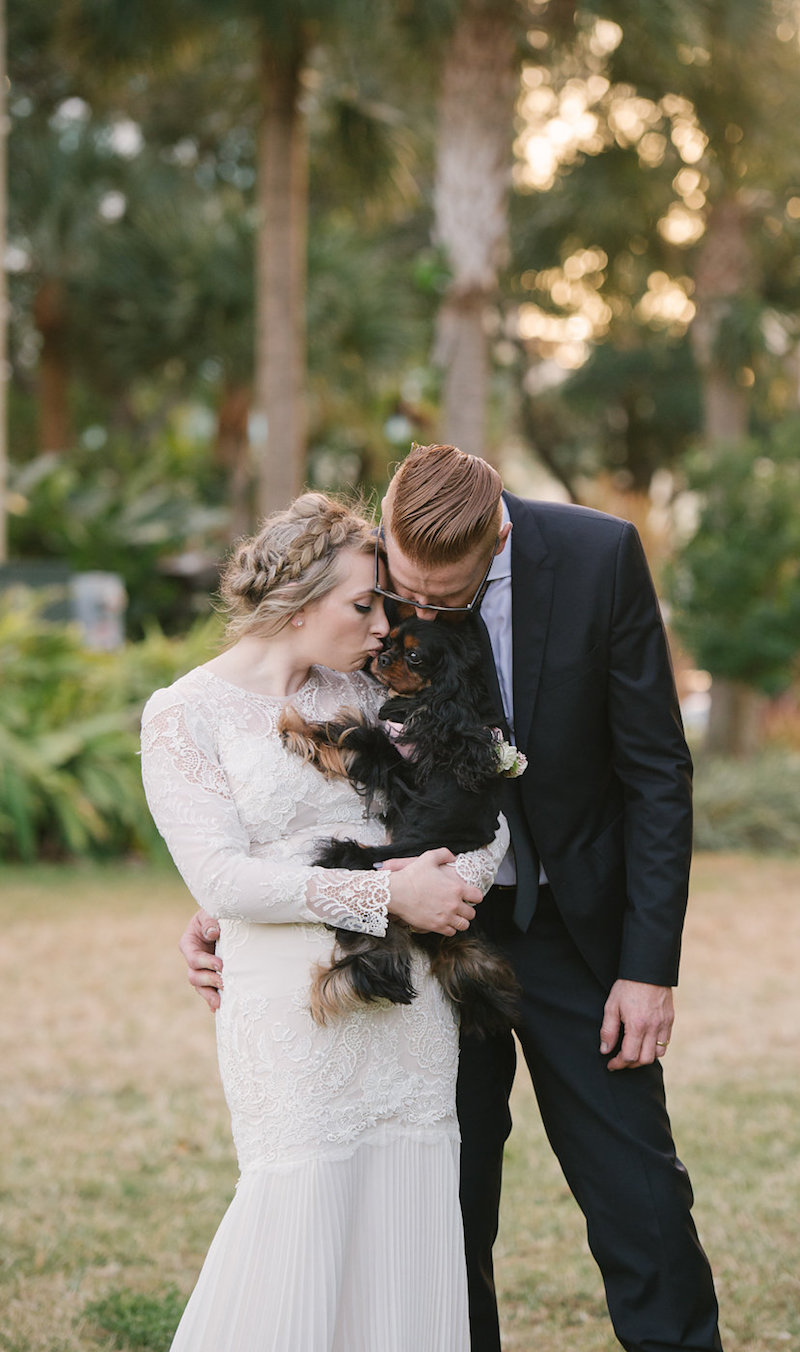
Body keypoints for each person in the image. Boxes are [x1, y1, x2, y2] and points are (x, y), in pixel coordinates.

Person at [182, 446, 723, 1352]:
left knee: (640, 1195)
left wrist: (647, 968)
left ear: (497, 533)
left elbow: (657, 772)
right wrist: (229, 915)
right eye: (406, 591)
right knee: (443, 1208)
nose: (418, 613)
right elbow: (304, 774)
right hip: (417, 945)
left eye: (446, 598)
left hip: (571, 933)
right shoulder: (365, 583)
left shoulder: (599, 557)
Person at [141, 491, 509, 1352]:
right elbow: (225, 875)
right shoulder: (184, 714)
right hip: (295, 1013)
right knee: (299, 1206)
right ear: (299, 602)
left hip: (410, 1004)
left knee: (410, 1211)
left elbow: (470, 820)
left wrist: (447, 884)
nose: (386, 624)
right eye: (365, 603)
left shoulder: (375, 698)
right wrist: (389, 897)